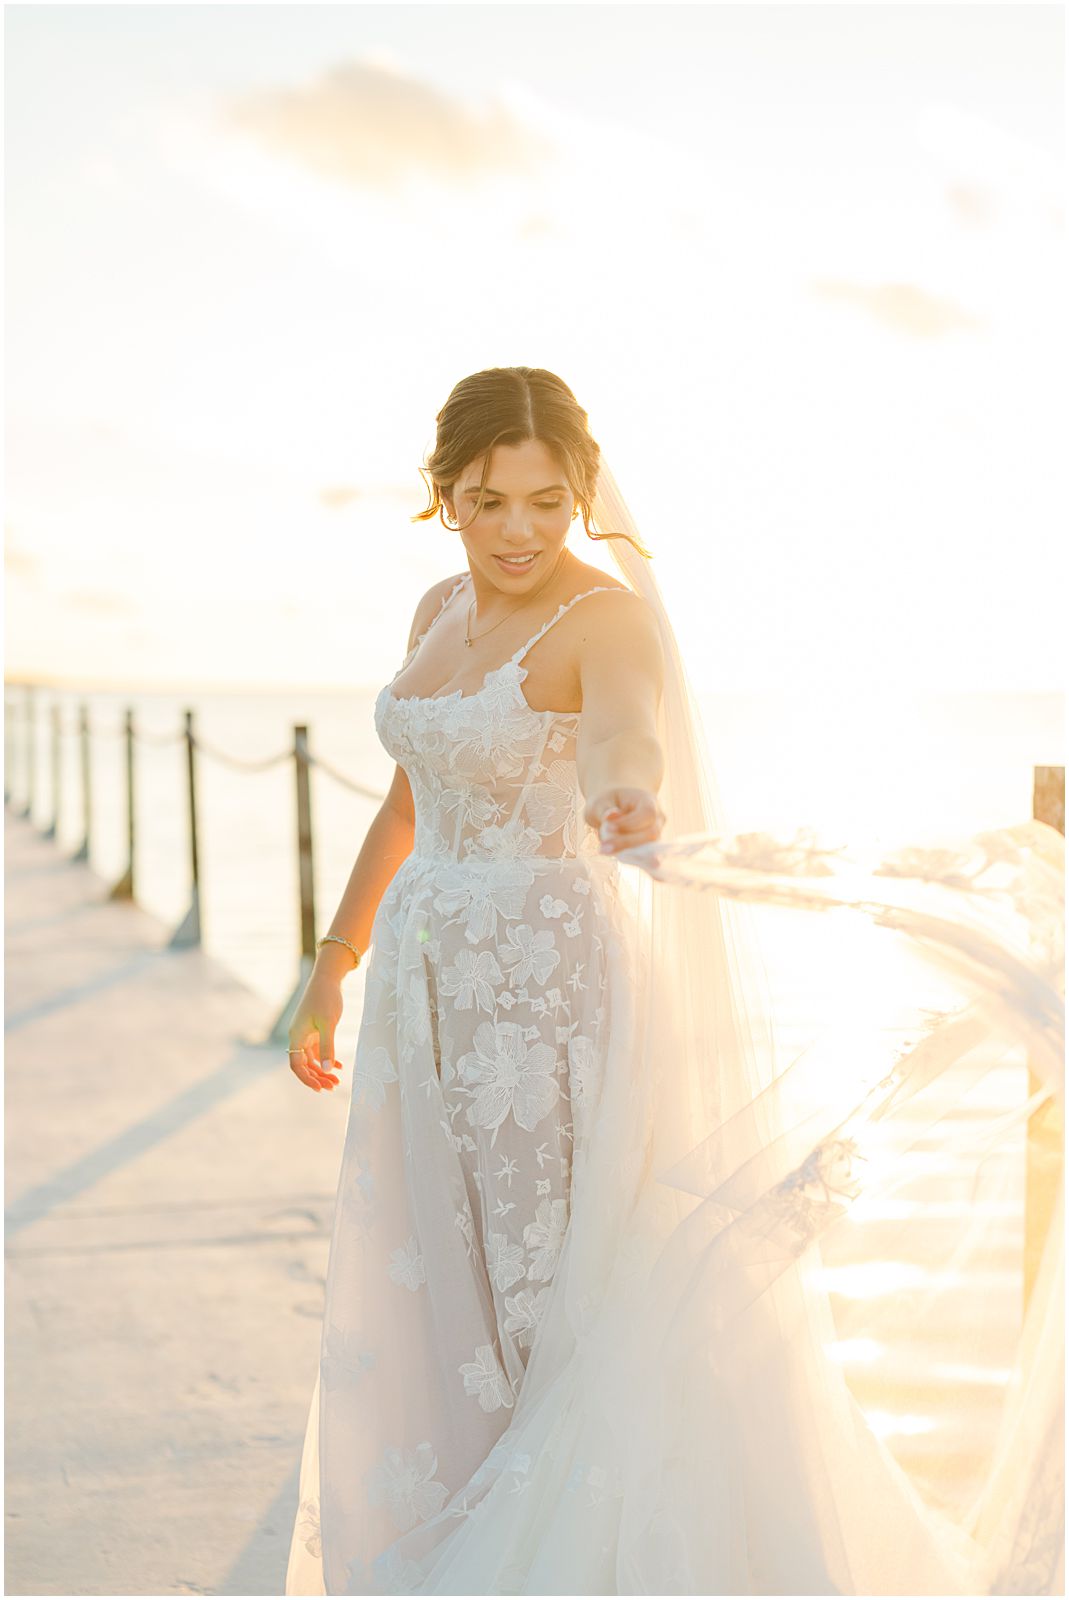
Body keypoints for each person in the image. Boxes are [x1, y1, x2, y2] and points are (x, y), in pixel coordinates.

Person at [285, 367, 1063, 1596]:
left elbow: (624, 730)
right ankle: (448, 1530)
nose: (521, 531)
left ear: (582, 494)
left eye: (548, 501)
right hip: (419, 1000)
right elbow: (405, 799)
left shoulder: (606, 619)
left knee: (551, 1294)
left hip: (543, 995)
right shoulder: (437, 605)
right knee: (439, 1280)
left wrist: (625, 797)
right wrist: (333, 964)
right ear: (447, 497)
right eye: (490, 501)